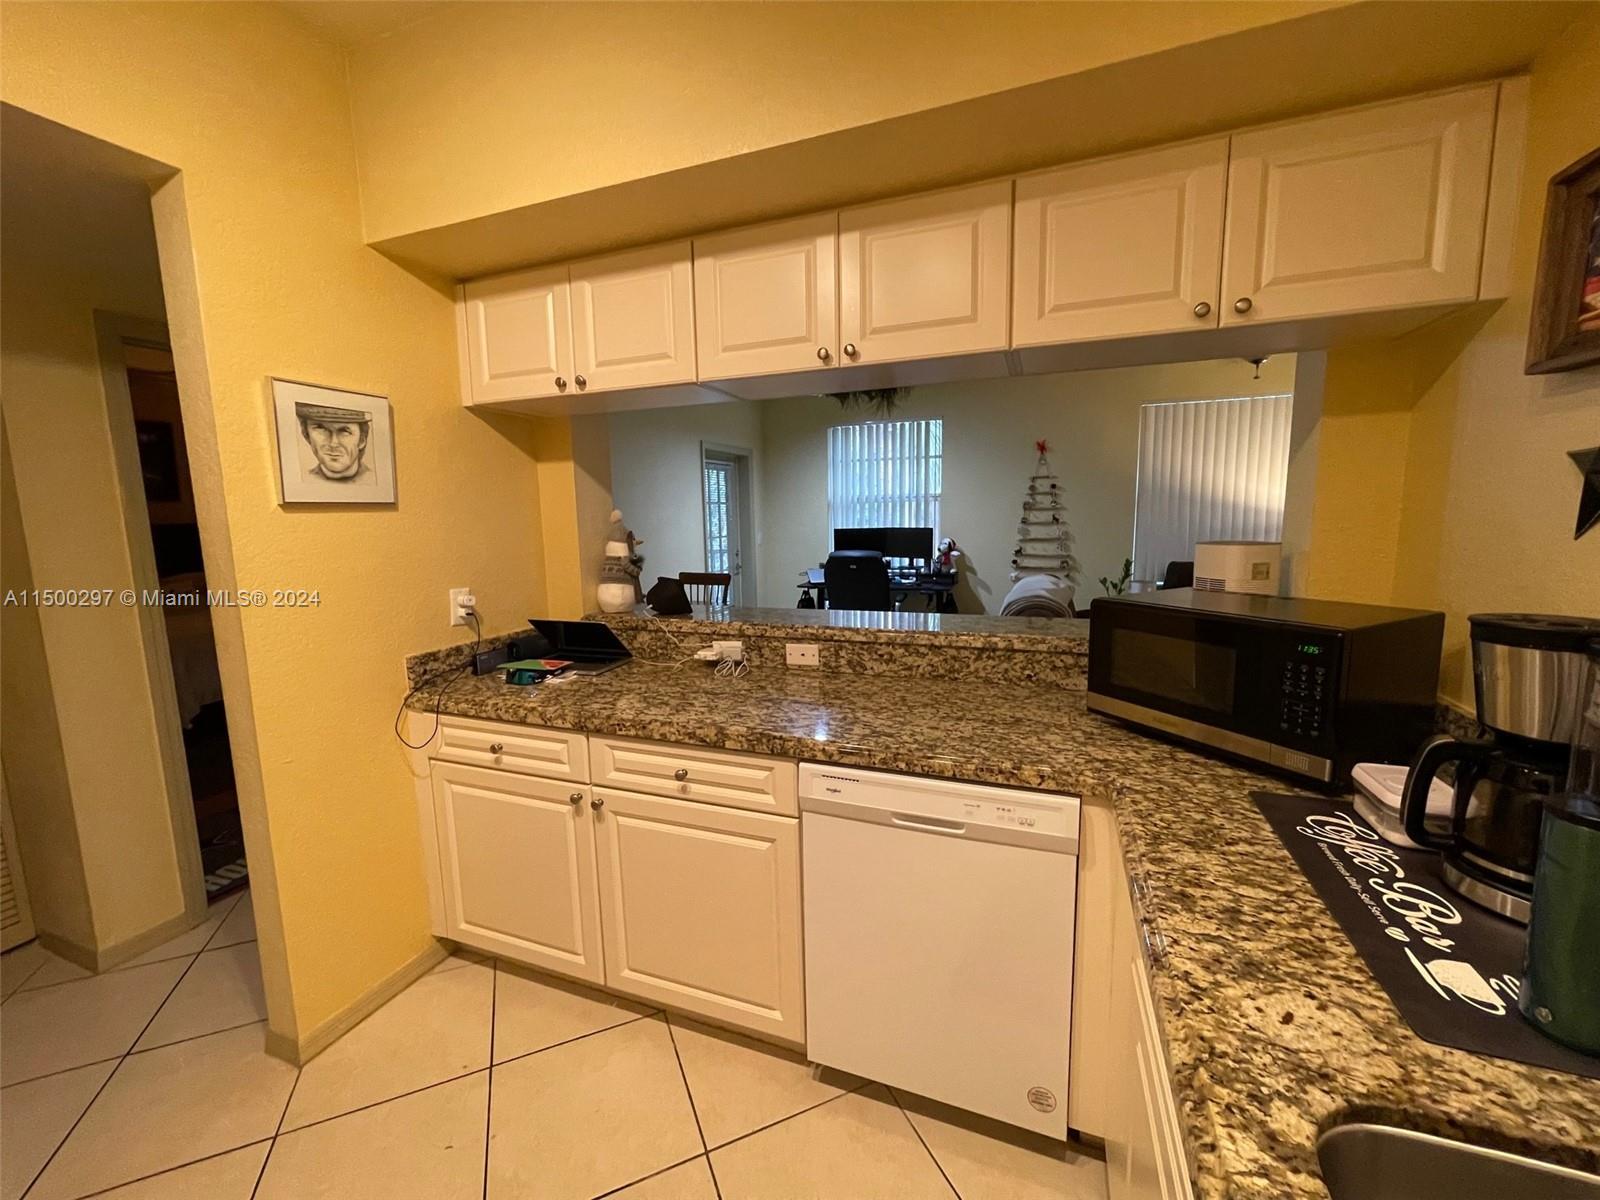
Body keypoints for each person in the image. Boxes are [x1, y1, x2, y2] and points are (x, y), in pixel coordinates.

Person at [296, 402, 374, 484]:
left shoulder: (373, 480)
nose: (333, 443)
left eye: (344, 431)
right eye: (322, 429)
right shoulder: (306, 480)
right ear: (307, 436)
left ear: (362, 440)